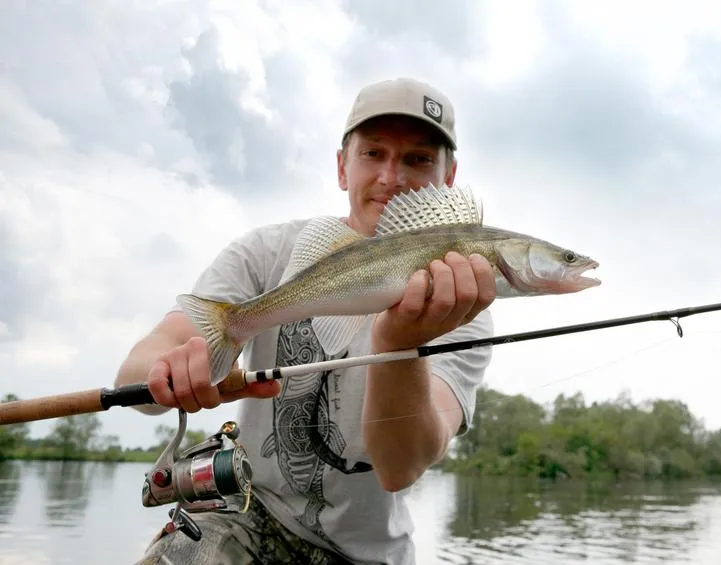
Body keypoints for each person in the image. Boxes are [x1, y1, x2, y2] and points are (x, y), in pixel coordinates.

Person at [116, 77, 496, 565]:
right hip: (246, 513)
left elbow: (399, 468)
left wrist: (399, 342)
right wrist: (168, 372)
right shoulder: (266, 253)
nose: (392, 176)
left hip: (366, 554)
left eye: (419, 159)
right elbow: (133, 378)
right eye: (373, 153)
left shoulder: (463, 304)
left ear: (449, 176)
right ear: (342, 167)